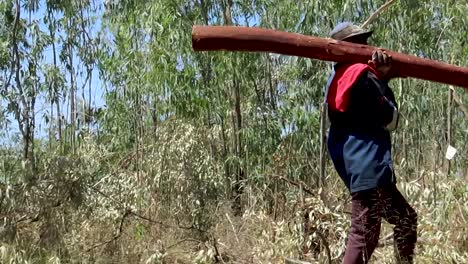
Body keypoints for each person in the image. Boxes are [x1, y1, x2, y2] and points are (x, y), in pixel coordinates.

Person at [325, 22, 418, 264]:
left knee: (405, 219)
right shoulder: (363, 77)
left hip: (362, 168)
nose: (367, 47)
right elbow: (391, 119)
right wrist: (383, 79)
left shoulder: (338, 78)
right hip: (369, 168)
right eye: (361, 43)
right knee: (363, 235)